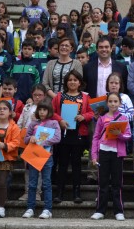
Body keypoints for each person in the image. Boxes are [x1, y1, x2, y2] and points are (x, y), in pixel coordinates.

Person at [51, 70, 94, 203]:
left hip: (79, 135)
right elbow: (52, 112)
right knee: (62, 164)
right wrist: (60, 120)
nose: (72, 82)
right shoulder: (59, 96)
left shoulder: (86, 97)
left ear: (80, 82)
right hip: (63, 134)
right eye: (70, 80)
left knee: (76, 164)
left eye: (75, 80)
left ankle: (77, 193)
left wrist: (84, 116)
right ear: (66, 82)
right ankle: (59, 193)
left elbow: (92, 113)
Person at [90, 92, 132, 221]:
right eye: (110, 101)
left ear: (120, 103)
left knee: (117, 183)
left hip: (117, 154)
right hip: (103, 152)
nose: (113, 104)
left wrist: (119, 134)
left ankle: (118, 211)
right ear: (107, 103)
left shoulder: (123, 118)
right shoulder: (102, 119)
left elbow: (128, 136)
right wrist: (94, 155)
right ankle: (100, 210)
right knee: (102, 182)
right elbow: (96, 137)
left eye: (115, 101)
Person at [22, 101, 61, 219]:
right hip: (34, 155)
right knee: (32, 183)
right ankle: (30, 208)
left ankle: (47, 209)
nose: (42, 112)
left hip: (46, 156)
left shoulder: (54, 123)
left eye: (45, 110)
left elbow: (57, 138)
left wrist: (43, 142)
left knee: (46, 183)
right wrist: (31, 138)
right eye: (40, 110)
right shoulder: (33, 123)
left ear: (49, 111)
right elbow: (25, 139)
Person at [16, 85, 48, 201]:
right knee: (27, 167)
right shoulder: (27, 107)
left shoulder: (46, 108)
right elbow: (20, 123)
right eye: (35, 95)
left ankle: (38, 193)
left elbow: (50, 123)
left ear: (44, 96)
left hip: (41, 140)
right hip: (27, 139)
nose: (37, 97)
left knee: (38, 167)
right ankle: (28, 191)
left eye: (40, 95)